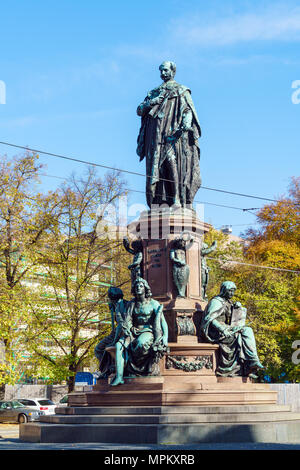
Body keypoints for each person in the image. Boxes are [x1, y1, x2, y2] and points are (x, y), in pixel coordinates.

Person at [136, 61, 201, 208]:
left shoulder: (181, 90)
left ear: (173, 71)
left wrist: (186, 123)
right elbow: (139, 110)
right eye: (161, 71)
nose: (162, 74)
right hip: (154, 137)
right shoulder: (154, 92)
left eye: (165, 70)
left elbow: (188, 110)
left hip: (173, 135)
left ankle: (177, 199)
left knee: (172, 164)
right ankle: (159, 202)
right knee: (156, 169)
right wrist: (151, 102)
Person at [110, 278, 168, 386]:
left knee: (141, 344)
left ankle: (139, 369)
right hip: (133, 331)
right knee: (118, 346)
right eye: (136, 286)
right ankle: (119, 377)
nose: (138, 288)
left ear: (146, 289)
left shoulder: (153, 304)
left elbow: (163, 322)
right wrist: (129, 329)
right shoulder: (132, 303)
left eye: (141, 286)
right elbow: (127, 319)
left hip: (147, 331)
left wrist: (165, 337)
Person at [201, 281, 264, 378]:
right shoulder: (216, 301)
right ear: (224, 290)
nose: (232, 294)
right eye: (230, 291)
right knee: (239, 336)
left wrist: (236, 307)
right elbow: (209, 319)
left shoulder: (227, 302)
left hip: (227, 328)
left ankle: (253, 362)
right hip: (217, 331)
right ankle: (248, 365)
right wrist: (222, 329)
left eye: (233, 291)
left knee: (247, 330)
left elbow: (231, 318)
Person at [94, 287, 128, 379]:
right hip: (119, 331)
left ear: (111, 298)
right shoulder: (121, 304)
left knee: (98, 349)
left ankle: (108, 370)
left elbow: (121, 325)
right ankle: (107, 369)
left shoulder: (120, 306)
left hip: (121, 332)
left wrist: (115, 339)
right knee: (100, 349)